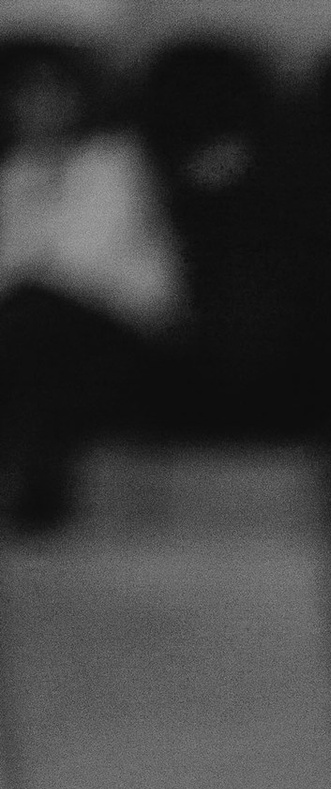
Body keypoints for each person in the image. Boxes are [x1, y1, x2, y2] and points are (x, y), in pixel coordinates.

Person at [0, 53, 183, 532]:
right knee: (31, 342)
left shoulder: (114, 164)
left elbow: (82, 262)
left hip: (121, 330)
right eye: (28, 97)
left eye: (53, 95)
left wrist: (30, 260)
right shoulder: (15, 173)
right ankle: (40, 485)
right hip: (40, 338)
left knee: (34, 317)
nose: (40, 108)